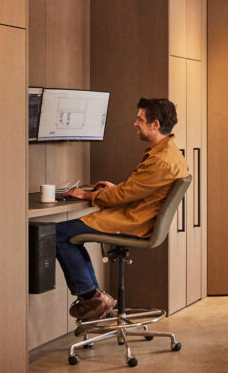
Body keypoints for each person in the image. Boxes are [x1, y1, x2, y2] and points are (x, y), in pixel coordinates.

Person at [56, 98, 190, 321]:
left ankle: (91, 298)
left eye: (140, 119)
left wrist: (86, 194)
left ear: (155, 124)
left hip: (133, 224)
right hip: (139, 219)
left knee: (59, 234)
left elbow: (123, 196)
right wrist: (117, 189)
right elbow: (136, 190)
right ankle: (95, 298)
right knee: (68, 234)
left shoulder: (161, 160)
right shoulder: (169, 153)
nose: (135, 123)